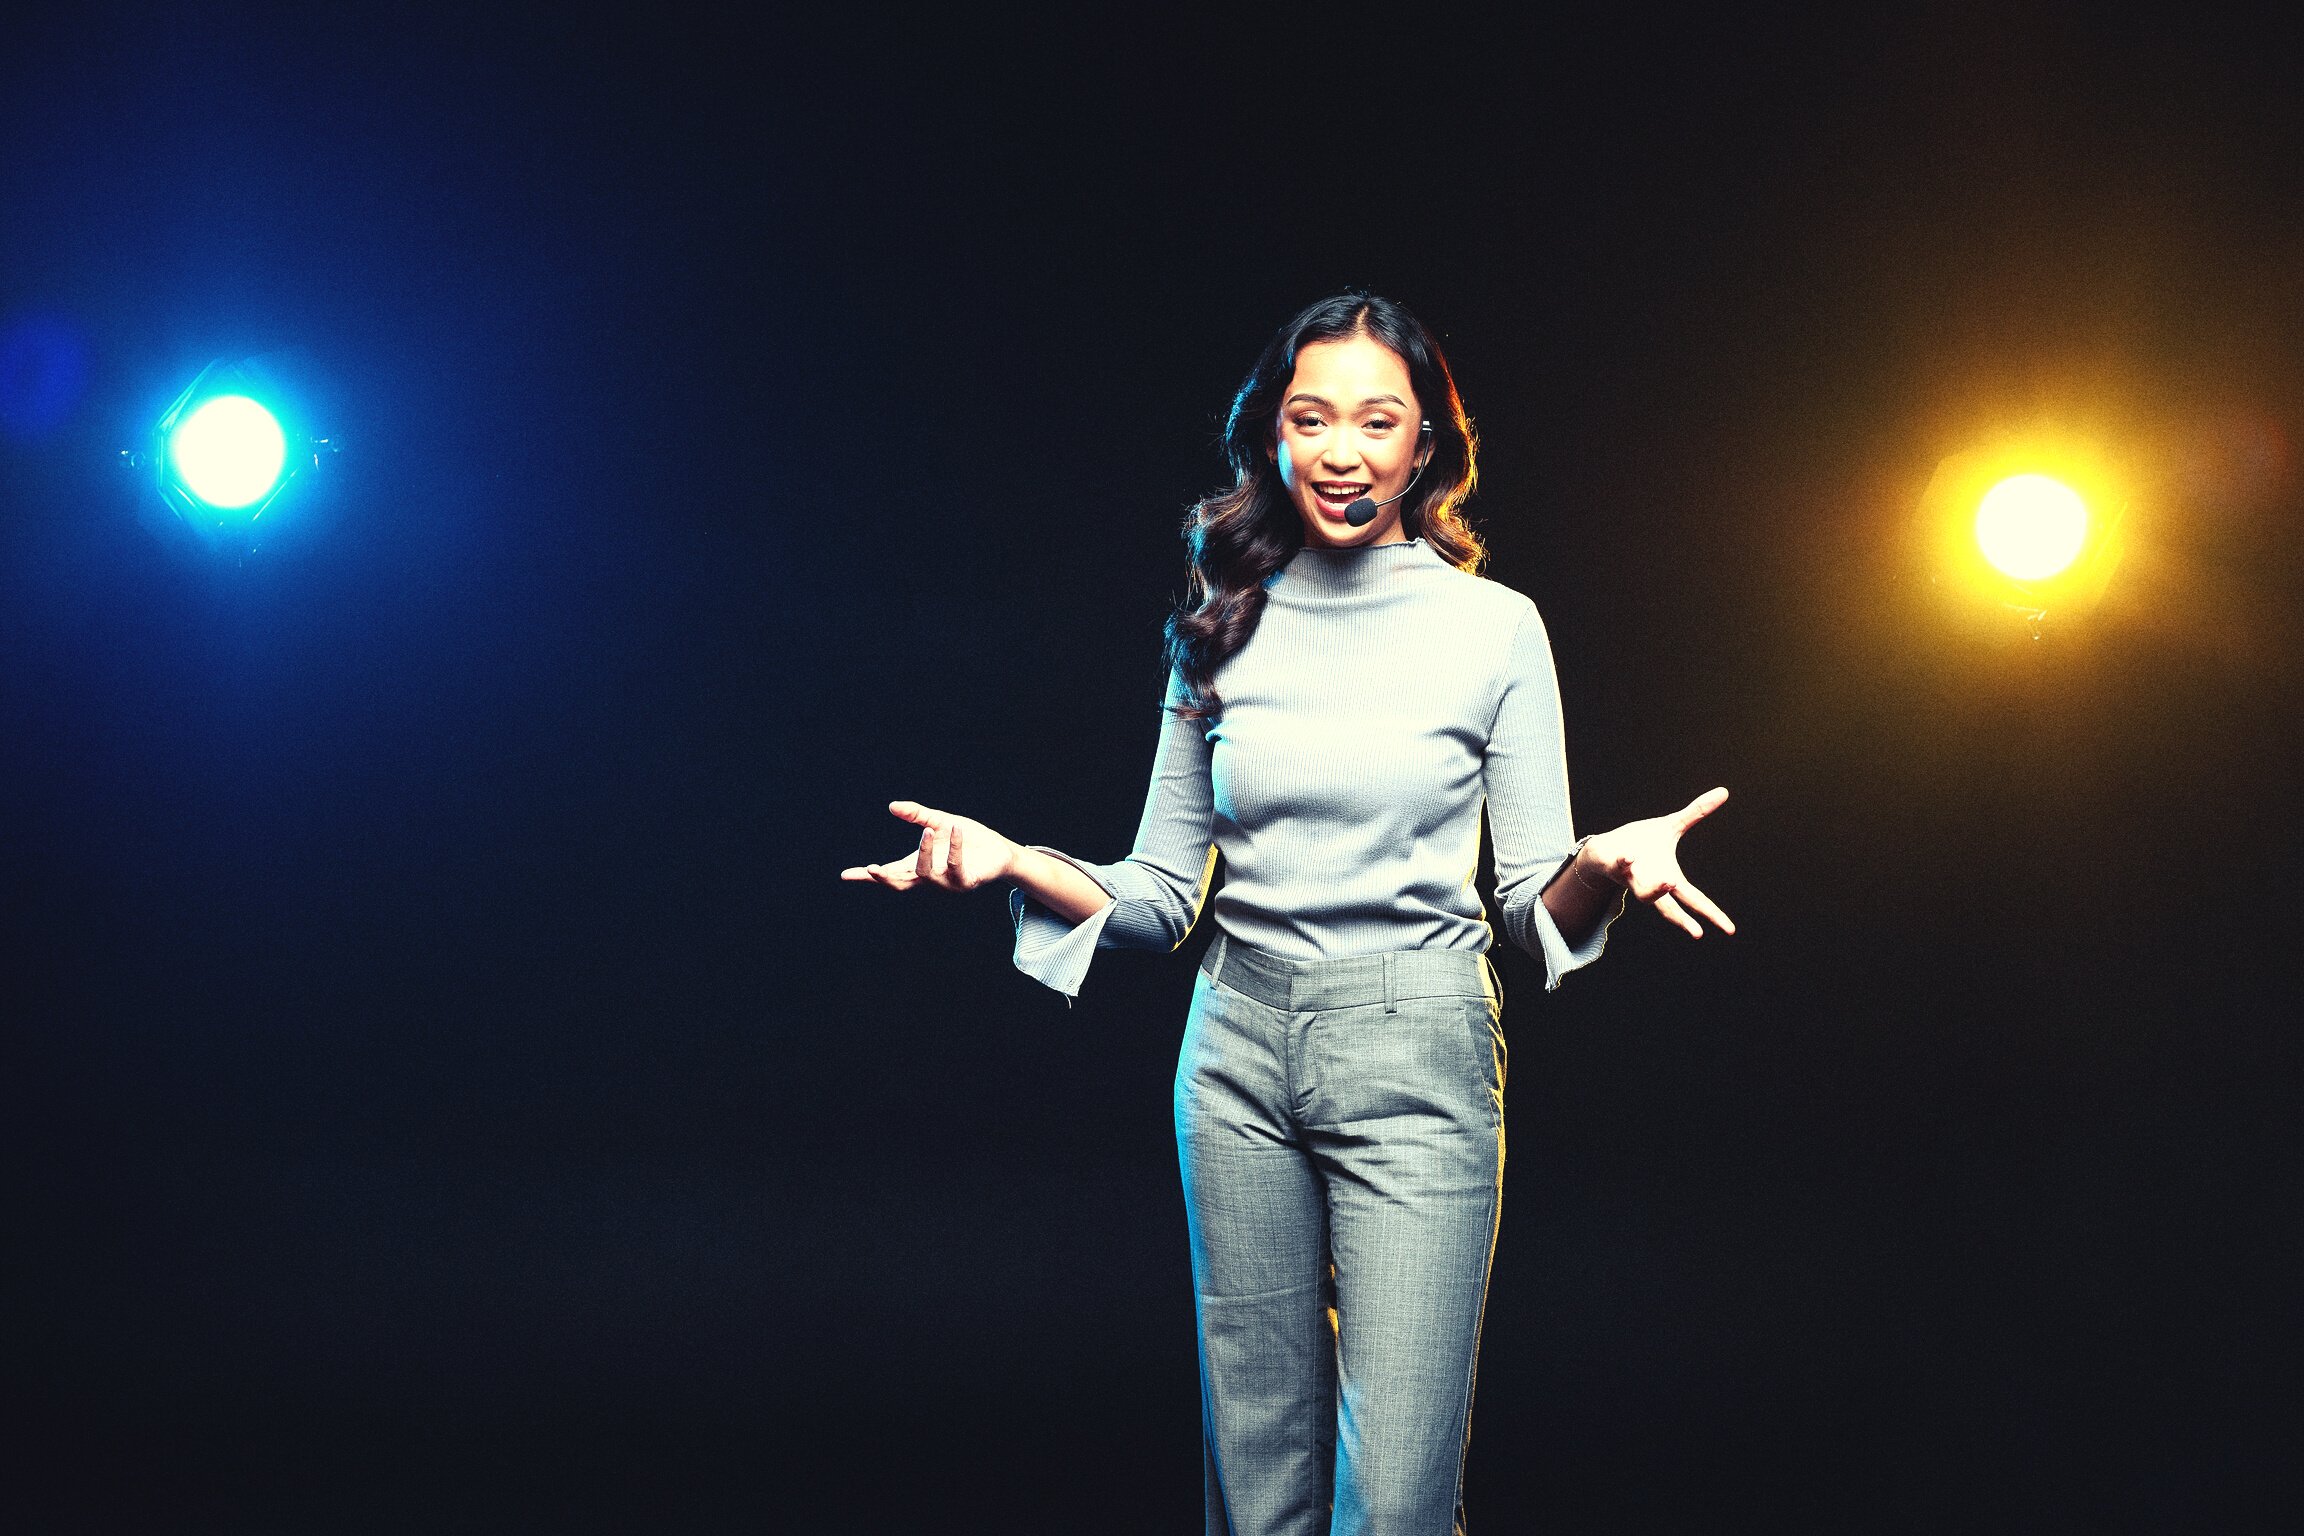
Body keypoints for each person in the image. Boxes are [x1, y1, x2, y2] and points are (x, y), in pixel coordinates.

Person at [841, 292, 1733, 1535]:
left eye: (1379, 421)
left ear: (1425, 446)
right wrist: (1011, 861)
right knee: (1255, 1484)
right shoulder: (1219, 619)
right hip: (1237, 1050)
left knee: (1399, 1496)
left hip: (1419, 1046)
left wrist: (1609, 863)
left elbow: (1535, 909)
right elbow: (1156, 896)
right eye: (1311, 419)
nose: (1343, 450)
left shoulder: (1495, 630)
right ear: (1272, 435)